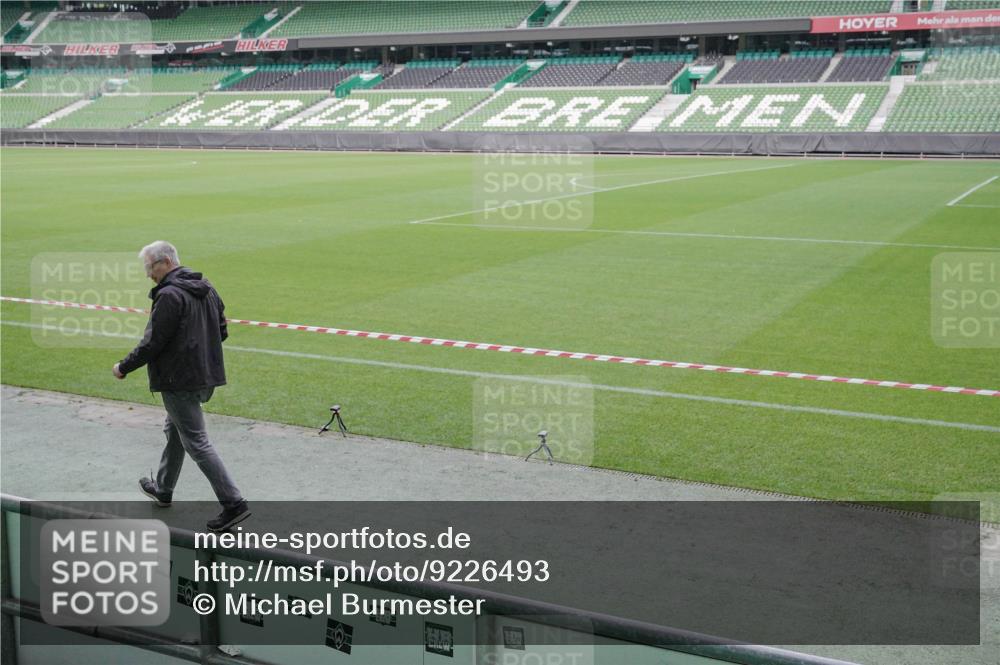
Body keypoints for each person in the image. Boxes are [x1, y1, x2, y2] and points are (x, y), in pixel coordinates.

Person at [113, 240, 250, 532]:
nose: (148, 274)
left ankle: (233, 503)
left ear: (165, 262)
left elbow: (152, 343)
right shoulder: (207, 287)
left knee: (196, 441)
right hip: (205, 374)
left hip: (179, 379)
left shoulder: (169, 295)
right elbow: (222, 329)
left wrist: (123, 367)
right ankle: (163, 489)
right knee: (175, 429)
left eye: (150, 268)